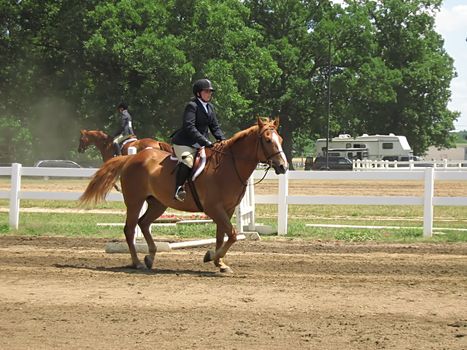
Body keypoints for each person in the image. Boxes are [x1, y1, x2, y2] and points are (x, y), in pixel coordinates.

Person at [171, 78, 226, 202]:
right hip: (185, 142)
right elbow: (189, 126)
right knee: (188, 161)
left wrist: (223, 141)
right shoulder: (192, 106)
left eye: (210, 92)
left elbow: (215, 127)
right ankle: (178, 189)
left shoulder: (210, 107)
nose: (209, 94)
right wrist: (205, 142)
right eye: (206, 91)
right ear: (198, 93)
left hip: (200, 143)